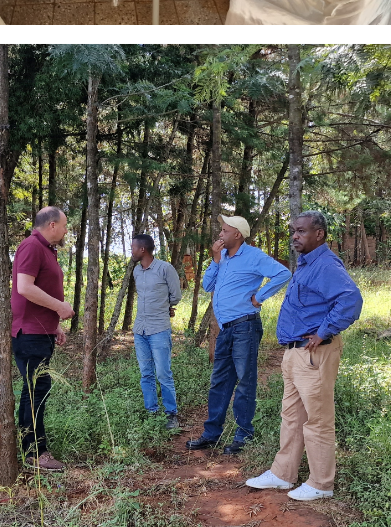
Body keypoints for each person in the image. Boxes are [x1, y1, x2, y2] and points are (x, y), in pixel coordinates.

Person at [246, 211, 363, 501]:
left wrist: (324, 331)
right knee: (291, 416)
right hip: (295, 354)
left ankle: (321, 483)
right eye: (293, 231)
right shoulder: (307, 263)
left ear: (319, 234)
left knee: (318, 420)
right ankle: (283, 474)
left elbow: (351, 299)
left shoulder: (324, 264)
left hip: (314, 354)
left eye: (301, 231)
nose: (295, 236)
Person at [186, 216, 291, 454]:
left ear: (238, 235)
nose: (220, 234)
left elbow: (283, 274)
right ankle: (212, 434)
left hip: (245, 327)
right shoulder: (221, 257)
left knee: (245, 381)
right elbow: (207, 286)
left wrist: (259, 297)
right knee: (219, 381)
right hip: (226, 329)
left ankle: (243, 436)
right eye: (221, 230)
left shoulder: (254, 256)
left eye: (224, 230)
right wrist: (214, 258)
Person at [12, 206, 75, 471]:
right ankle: (35, 454)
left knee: (36, 390)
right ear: (51, 225)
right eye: (64, 226)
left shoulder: (46, 249)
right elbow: (24, 287)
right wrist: (60, 307)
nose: (65, 230)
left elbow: (38, 291)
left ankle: (32, 449)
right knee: (36, 391)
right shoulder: (31, 247)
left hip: (41, 331)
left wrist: (54, 325)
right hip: (30, 334)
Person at [130, 234, 182, 430]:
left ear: (143, 249)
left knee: (163, 372)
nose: (132, 251)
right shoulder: (136, 271)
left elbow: (175, 295)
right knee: (146, 374)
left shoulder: (164, 269)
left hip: (159, 329)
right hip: (140, 330)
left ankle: (171, 414)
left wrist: (167, 306)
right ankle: (152, 412)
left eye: (133, 247)